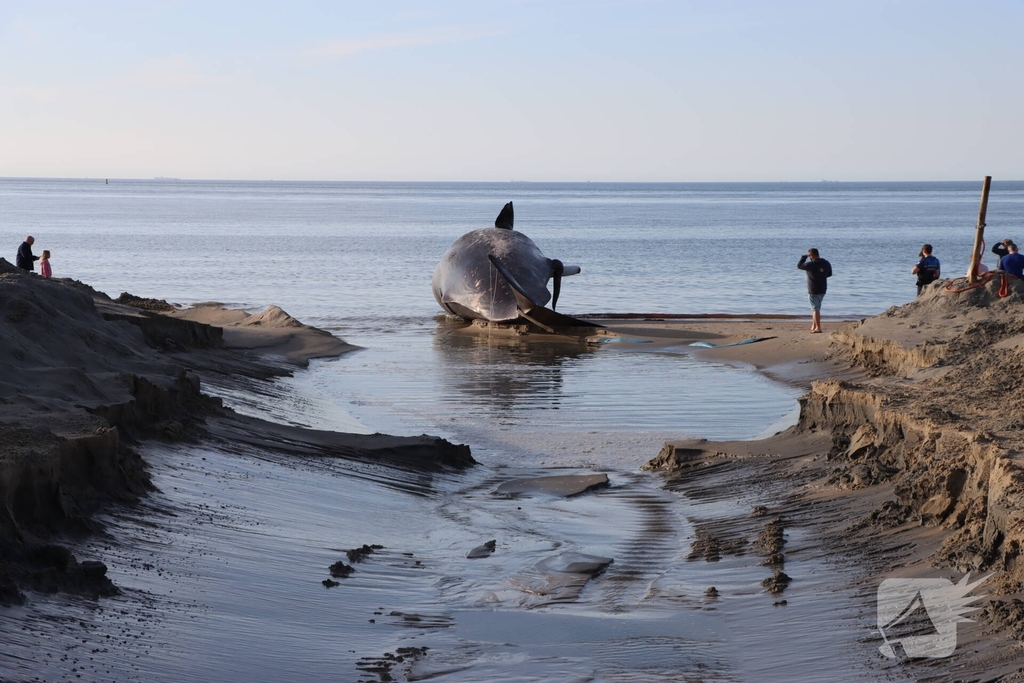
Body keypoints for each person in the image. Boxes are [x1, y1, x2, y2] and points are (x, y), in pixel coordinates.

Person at [798, 248, 833, 333]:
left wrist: (803, 257)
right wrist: (821, 276)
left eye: (809, 255)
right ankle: (814, 325)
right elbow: (829, 274)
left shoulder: (810, 264)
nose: (809, 257)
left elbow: (799, 266)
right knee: (816, 308)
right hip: (823, 288)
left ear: (811, 255)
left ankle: (818, 327)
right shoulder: (826, 263)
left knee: (815, 309)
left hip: (813, 289)